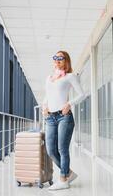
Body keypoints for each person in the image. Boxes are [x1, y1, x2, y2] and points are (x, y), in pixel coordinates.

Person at [42, 51, 85, 190]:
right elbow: (47, 95)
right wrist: (44, 106)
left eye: (60, 58)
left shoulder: (70, 77)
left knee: (62, 149)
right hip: (50, 117)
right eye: (55, 57)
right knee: (50, 150)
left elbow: (82, 95)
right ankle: (68, 173)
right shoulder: (49, 78)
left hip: (64, 117)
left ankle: (63, 180)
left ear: (66, 61)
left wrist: (69, 103)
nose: (57, 60)